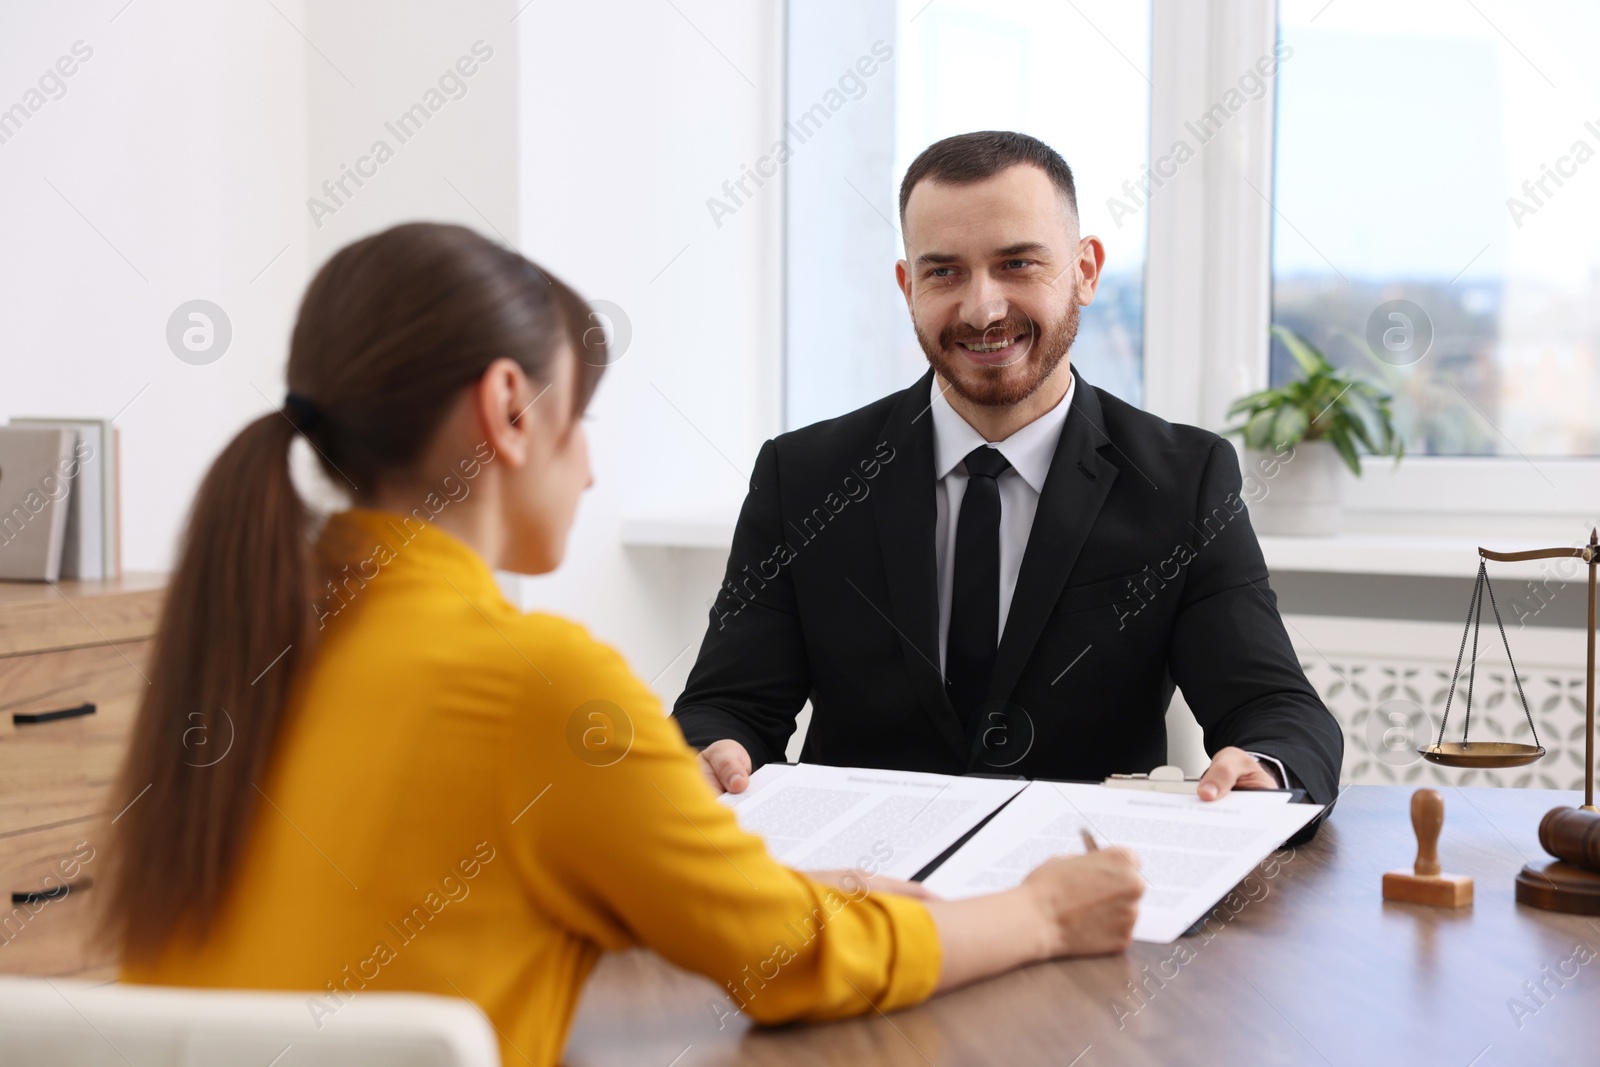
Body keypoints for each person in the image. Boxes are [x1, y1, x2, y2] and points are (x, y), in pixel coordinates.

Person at [104, 222, 1145, 1067]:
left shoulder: (241, 635)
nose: (592, 470)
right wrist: (1042, 911)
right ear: (509, 409)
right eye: (582, 417)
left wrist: (786, 886)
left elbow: (479, 888)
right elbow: (792, 964)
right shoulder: (535, 681)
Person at [676, 131, 1343, 817]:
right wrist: (712, 751)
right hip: (862, 898)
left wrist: (1264, 765)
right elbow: (727, 707)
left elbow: (1275, 709)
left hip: (1079, 890)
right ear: (908, 287)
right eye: (944, 272)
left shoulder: (1184, 480)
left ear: (1085, 270)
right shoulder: (804, 477)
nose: (982, 309)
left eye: (1017, 264)